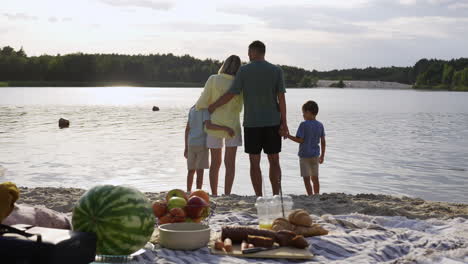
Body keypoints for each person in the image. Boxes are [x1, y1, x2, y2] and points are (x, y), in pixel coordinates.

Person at [208, 41, 288, 196]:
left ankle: (259, 196)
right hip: (273, 122)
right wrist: (284, 123)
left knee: (254, 162)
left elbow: (232, 94)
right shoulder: (276, 70)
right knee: (274, 160)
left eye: (249, 52)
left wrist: (214, 105)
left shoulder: (244, 70)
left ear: (253, 52)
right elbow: (281, 98)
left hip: (252, 123)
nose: (248, 55)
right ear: (263, 52)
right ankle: (276, 194)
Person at [195, 55, 243, 196]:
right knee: (230, 164)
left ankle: (215, 194)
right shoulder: (239, 82)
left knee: (215, 163)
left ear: (224, 65)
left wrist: (208, 107)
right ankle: (227, 194)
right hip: (233, 125)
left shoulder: (213, 79)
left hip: (214, 125)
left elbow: (201, 103)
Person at [184, 105, 235, 193]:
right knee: (200, 171)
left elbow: (187, 129)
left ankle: (188, 191)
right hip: (202, 144)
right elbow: (208, 126)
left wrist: (186, 147)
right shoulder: (205, 110)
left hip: (191, 143)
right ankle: (198, 191)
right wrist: (225, 128)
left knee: (191, 170)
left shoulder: (192, 109)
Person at [286, 100, 326, 195]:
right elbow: (323, 141)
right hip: (315, 155)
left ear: (308, 112)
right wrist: (322, 156)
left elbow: (300, 140)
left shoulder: (303, 124)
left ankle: (310, 195)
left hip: (304, 156)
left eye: (303, 113)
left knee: (306, 178)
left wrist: (288, 136)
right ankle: (316, 195)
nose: (303, 115)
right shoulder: (320, 125)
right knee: (315, 178)